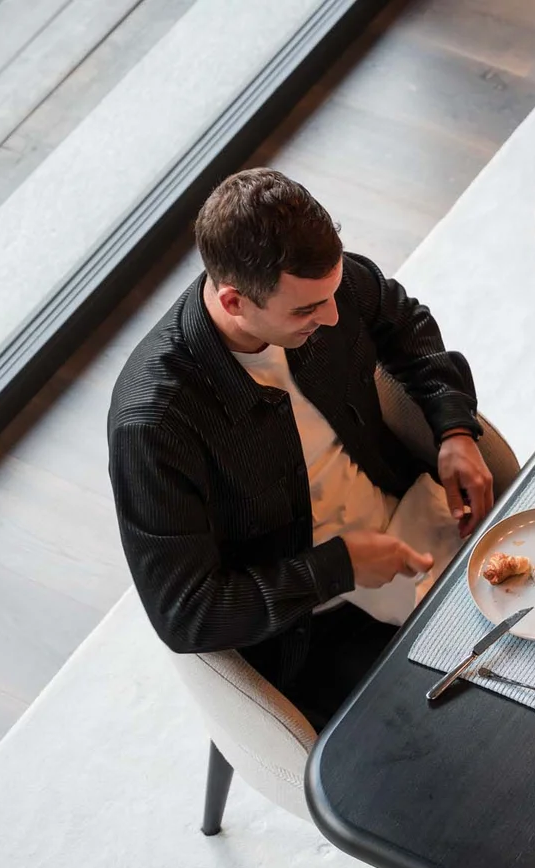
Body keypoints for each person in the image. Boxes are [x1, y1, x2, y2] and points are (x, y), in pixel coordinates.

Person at [107, 168, 495, 728]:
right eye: (307, 311)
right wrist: (337, 567)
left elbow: (406, 325)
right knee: (472, 734)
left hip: (418, 515)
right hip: (314, 629)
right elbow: (185, 613)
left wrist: (454, 429)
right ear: (235, 301)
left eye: (333, 294)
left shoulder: (319, 287)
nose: (334, 317)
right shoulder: (154, 424)